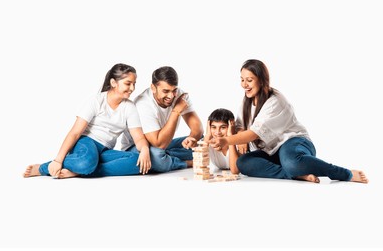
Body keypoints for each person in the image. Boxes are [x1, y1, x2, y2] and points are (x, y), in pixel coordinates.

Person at [210, 59, 368, 183]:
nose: (244, 85)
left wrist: (227, 140)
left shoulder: (275, 101)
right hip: (272, 151)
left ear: (262, 80)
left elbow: (253, 134)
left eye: (249, 80)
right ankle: (297, 175)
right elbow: (240, 128)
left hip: (294, 143)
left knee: (292, 163)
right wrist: (240, 137)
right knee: (243, 163)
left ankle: (345, 173)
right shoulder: (246, 102)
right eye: (242, 80)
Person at [23, 63, 151, 179]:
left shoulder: (129, 107)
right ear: (113, 82)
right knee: (85, 163)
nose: (133, 88)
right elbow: (75, 133)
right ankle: (44, 168)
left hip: (105, 149)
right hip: (87, 142)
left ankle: (81, 171)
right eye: (128, 83)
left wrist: (144, 149)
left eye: (134, 83)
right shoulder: (96, 101)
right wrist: (57, 160)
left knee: (137, 161)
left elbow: (138, 138)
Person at [122, 66, 203, 173]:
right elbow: (159, 144)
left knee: (202, 141)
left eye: (174, 90)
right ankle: (184, 163)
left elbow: (198, 128)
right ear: (153, 88)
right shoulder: (143, 104)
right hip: (137, 147)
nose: (171, 96)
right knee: (157, 155)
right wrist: (176, 112)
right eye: (165, 91)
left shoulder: (179, 95)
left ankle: (167, 157)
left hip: (164, 144)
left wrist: (191, 139)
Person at [203, 108, 239, 174]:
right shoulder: (209, 142)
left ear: (231, 126)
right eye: (213, 127)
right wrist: (207, 135)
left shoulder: (239, 143)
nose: (218, 132)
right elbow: (200, 165)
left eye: (223, 127)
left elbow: (235, 170)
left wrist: (230, 136)